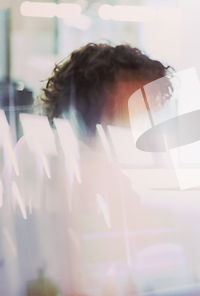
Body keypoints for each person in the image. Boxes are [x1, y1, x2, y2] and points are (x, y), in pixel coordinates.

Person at [1, 43, 175, 295]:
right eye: (134, 102)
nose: (139, 118)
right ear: (105, 99)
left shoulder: (49, 145)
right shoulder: (62, 155)